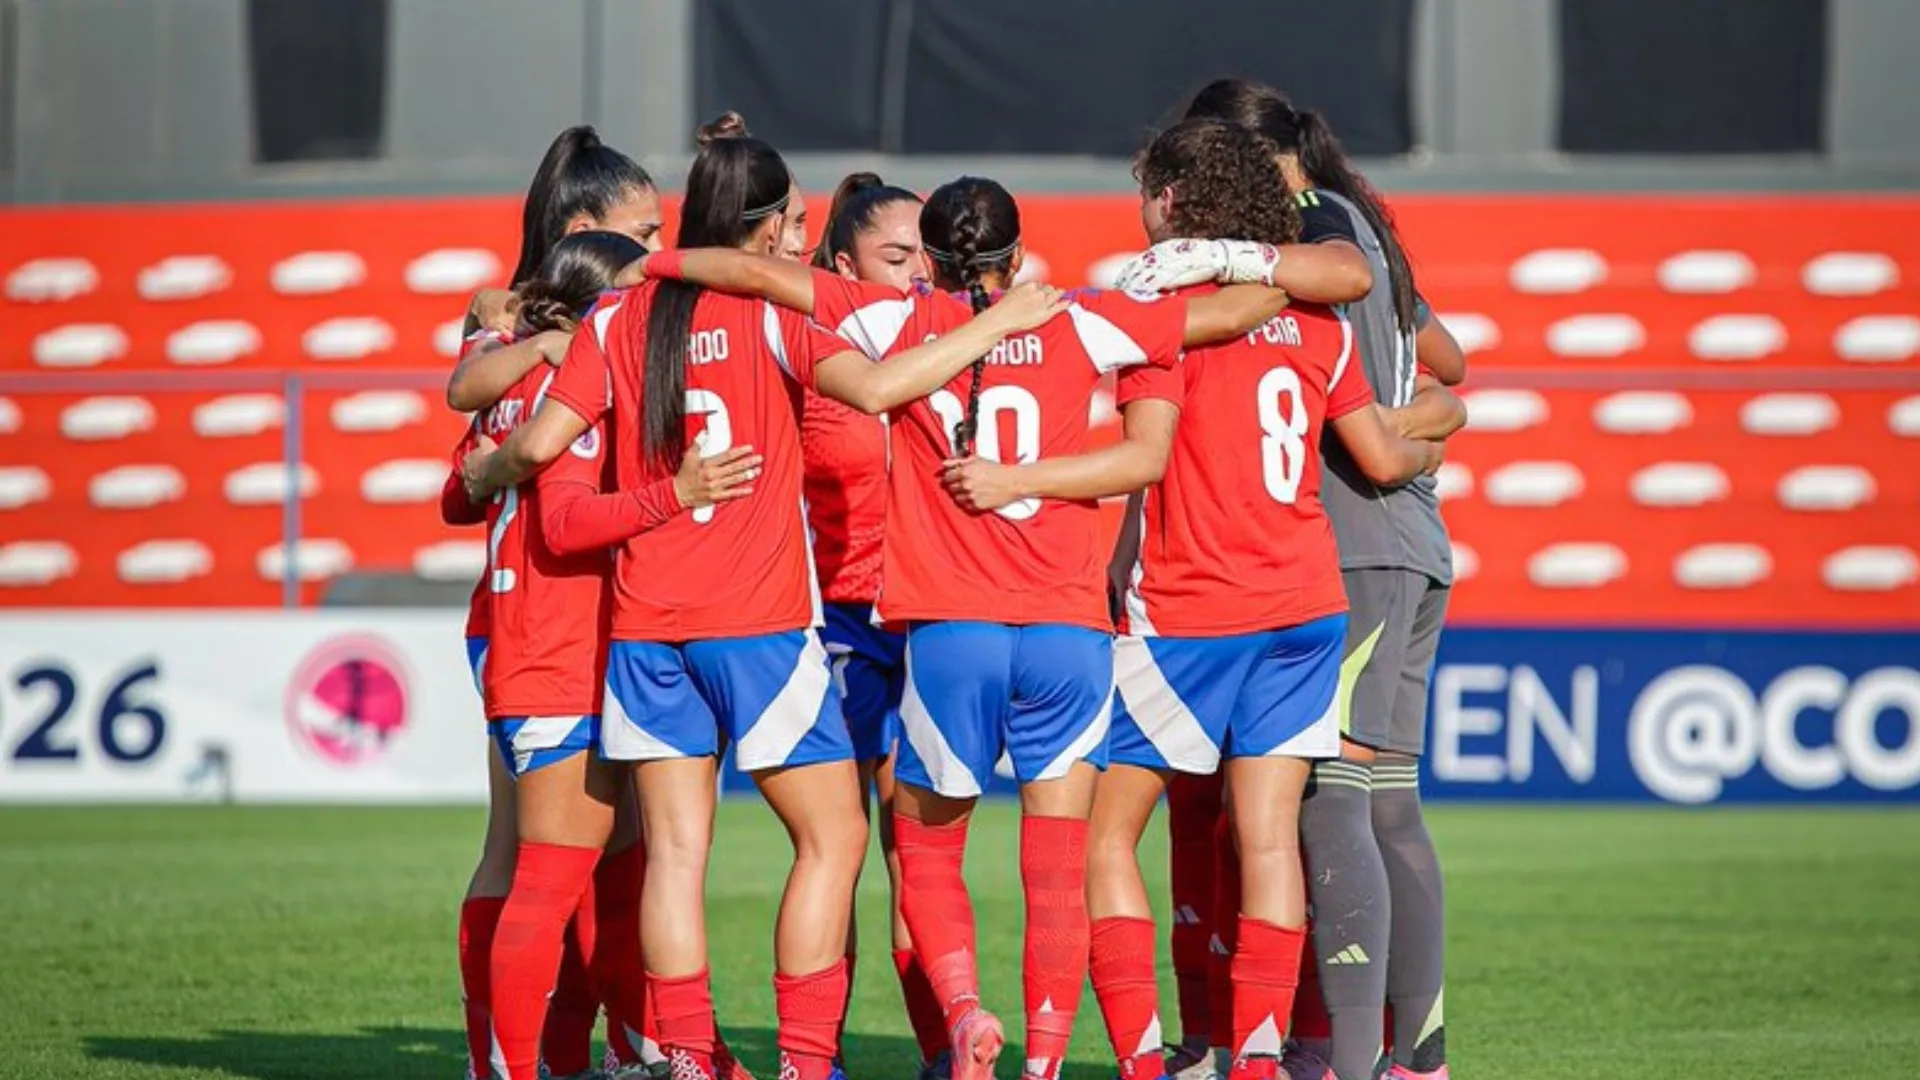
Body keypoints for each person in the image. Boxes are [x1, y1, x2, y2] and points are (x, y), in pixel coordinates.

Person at [630, 170, 1295, 1080]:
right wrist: (1244, 261)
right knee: (1057, 868)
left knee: (925, 848)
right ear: (1018, 253)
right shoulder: (1080, 315)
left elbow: (752, 277)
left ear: (931, 262)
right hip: (1068, 628)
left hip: (949, 629)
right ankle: (1045, 1064)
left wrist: (652, 261)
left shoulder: (891, 319)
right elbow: (1236, 315)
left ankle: (962, 1012)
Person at [460, 135, 1070, 1080]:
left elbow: (537, 448)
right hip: (759, 624)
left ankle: (687, 1059)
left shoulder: (621, 318)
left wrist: (479, 472)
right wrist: (996, 325)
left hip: (645, 632)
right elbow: (875, 389)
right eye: (791, 223)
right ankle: (802, 1061)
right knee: (833, 838)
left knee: (671, 854)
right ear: (777, 226)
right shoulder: (767, 318)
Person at [946, 119, 1440, 1080]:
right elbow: (1378, 444)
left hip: (1190, 612)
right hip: (1302, 606)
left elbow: (1146, 460)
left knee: (1102, 835)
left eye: (1147, 192)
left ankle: (1142, 1060)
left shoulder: (1159, 317)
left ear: (1172, 201)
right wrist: (1439, 430)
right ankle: (1255, 1060)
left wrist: (1022, 483)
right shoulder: (1317, 321)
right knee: (1267, 840)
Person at [1174, 78, 1469, 1080]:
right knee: (1386, 803)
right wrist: (1422, 422)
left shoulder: (1319, 226)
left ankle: (1341, 1059)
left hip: (1353, 539)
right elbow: (1449, 361)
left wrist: (1221, 257)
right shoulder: (1370, 220)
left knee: (1331, 805)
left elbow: (1344, 290)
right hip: (1413, 544)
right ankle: (1411, 1056)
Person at [446, 231, 761, 1080]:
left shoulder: (518, 387)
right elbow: (565, 521)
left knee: (609, 876)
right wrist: (677, 494)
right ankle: (514, 1068)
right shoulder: (566, 387)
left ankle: (625, 1047)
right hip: (561, 654)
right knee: (546, 886)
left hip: (544, 650)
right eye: (634, 285)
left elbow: (458, 490)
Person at [440, 123, 663, 1080]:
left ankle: (600, 1046)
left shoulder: (511, 329)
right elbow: (487, 464)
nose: (660, 250)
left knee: (583, 852)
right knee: (556, 862)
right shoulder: (557, 343)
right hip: (553, 628)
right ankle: (546, 1057)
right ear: (586, 233)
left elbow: (459, 486)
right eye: (643, 232)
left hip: (532, 625)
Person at [805, 172, 955, 1080]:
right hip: (843, 624)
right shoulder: (810, 352)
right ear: (841, 264)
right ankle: (812, 1057)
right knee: (837, 847)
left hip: (933, 621)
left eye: (926, 260)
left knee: (918, 851)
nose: (915, 276)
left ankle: (944, 1052)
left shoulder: (956, 341)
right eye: (896, 258)